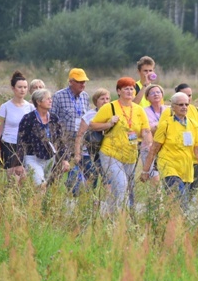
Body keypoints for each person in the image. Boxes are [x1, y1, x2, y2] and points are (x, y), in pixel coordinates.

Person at [90, 77, 152, 212]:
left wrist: (149, 144)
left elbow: (146, 130)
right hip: (110, 152)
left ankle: (109, 216)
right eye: (126, 89)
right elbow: (93, 125)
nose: (130, 91)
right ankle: (120, 218)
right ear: (119, 91)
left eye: (131, 89)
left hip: (130, 154)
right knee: (121, 185)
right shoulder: (110, 107)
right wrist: (109, 124)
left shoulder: (139, 110)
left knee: (119, 188)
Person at [140, 92, 198, 209]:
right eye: (181, 105)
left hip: (186, 168)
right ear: (173, 107)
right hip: (169, 166)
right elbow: (154, 148)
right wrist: (146, 171)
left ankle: (172, 224)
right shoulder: (166, 124)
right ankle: (178, 223)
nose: (184, 107)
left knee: (179, 203)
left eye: (186, 104)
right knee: (179, 199)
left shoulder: (193, 124)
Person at [170, 83, 198, 198]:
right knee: (178, 191)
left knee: (191, 192)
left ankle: (187, 214)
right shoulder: (170, 112)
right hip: (176, 158)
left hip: (194, 158)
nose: (188, 98)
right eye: (185, 95)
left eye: (190, 95)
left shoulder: (197, 111)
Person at [0, 71, 35, 183]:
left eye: (25, 87)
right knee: (12, 179)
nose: (22, 90)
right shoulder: (5, 107)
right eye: (19, 87)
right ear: (13, 88)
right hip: (9, 145)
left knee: (24, 178)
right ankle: (9, 199)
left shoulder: (31, 107)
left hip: (26, 145)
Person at [18, 89, 69, 188]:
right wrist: (19, 162)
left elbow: (61, 139)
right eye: (47, 99)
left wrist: (64, 159)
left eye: (51, 99)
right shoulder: (28, 119)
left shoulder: (54, 118)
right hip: (33, 157)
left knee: (45, 186)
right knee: (41, 185)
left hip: (50, 158)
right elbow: (21, 141)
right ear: (38, 101)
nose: (51, 101)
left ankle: (36, 203)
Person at [71, 88, 112, 194]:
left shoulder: (113, 115)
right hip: (89, 153)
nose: (105, 101)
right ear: (96, 101)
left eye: (107, 98)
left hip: (107, 152)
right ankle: (88, 202)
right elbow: (79, 135)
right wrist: (77, 154)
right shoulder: (89, 115)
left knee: (108, 180)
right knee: (91, 179)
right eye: (102, 99)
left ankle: (109, 206)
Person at [51, 68, 90, 156]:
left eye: (84, 82)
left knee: (84, 167)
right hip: (64, 142)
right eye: (79, 82)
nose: (82, 84)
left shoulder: (85, 96)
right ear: (71, 82)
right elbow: (51, 120)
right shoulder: (58, 96)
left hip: (81, 142)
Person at [141, 83, 167, 184]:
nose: (156, 94)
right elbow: (146, 129)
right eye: (152, 93)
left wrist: (156, 127)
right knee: (155, 180)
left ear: (162, 95)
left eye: (158, 92)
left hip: (165, 148)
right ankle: (156, 200)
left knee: (166, 178)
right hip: (149, 148)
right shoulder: (143, 111)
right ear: (147, 97)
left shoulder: (169, 110)